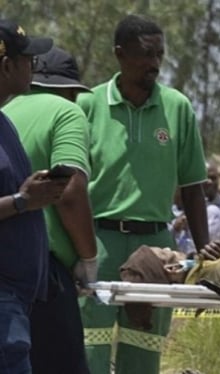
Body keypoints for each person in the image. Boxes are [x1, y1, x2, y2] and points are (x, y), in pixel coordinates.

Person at [76, 14, 210, 374]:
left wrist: (204, 251)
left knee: (144, 349)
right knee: (91, 347)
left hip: (155, 247)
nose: (154, 64)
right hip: (98, 242)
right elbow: (70, 184)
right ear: (120, 54)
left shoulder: (177, 107)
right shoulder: (87, 105)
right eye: (146, 55)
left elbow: (194, 186)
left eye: (160, 55)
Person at [3, 46, 97, 374]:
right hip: (45, 274)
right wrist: (88, 258)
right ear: (70, 90)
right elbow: (70, 192)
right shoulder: (67, 112)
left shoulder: (7, 114)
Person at [0, 20, 71, 373]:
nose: (34, 66)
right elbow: (18, 199)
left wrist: (32, 191)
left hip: (16, 300)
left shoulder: (5, 123)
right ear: (6, 65)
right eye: (27, 58)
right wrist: (24, 200)